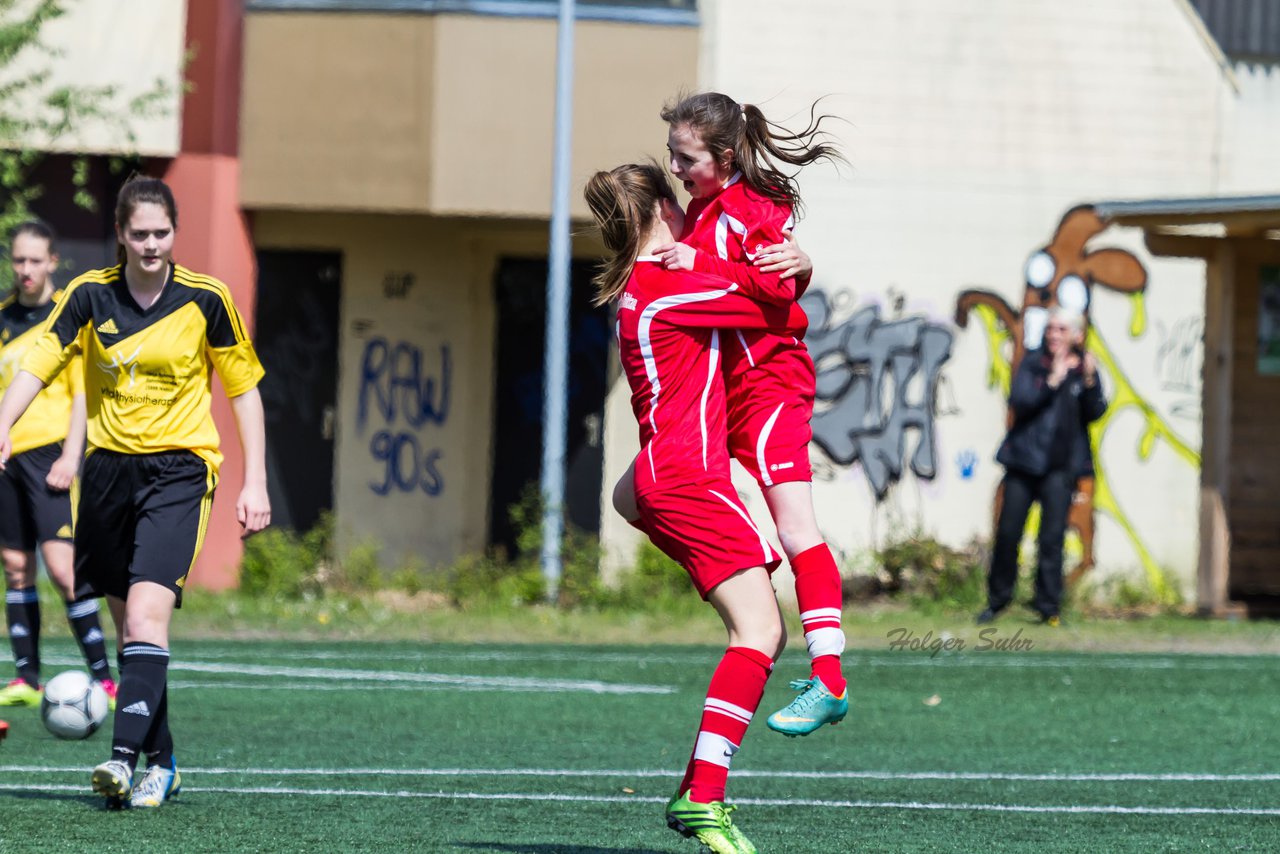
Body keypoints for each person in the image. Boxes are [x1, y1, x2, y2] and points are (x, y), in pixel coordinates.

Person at [0, 177, 271, 809]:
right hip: (106, 477)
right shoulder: (88, 296)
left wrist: (254, 479)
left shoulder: (207, 300)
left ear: (175, 232)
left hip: (178, 472)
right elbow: (39, 364)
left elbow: (244, 389)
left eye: (163, 232)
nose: (152, 244)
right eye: (140, 233)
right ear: (120, 235)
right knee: (134, 636)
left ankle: (121, 760)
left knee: (149, 618)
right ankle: (165, 762)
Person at [586, 162, 808, 854]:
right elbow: (784, 311)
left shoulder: (639, 284)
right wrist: (802, 264)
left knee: (757, 626)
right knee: (761, 632)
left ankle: (698, 791)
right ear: (658, 210)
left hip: (659, 478)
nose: (692, 205)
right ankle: (702, 798)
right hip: (687, 481)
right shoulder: (671, 280)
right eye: (678, 197)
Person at [658, 91, 848, 736]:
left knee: (797, 527)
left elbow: (778, 292)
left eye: (686, 158)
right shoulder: (707, 208)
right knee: (777, 525)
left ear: (725, 154)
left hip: (770, 383)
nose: (677, 169)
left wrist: (707, 263)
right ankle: (818, 668)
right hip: (738, 391)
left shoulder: (750, 209)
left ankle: (829, 678)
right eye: (673, 156)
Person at [0, 221, 116, 709]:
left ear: (52, 262)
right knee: (14, 564)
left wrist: (72, 453)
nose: (26, 270)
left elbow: (82, 392)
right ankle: (27, 677)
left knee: (64, 569)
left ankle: (105, 678)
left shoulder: (68, 313)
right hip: (8, 456)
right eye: (18, 260)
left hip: (52, 456)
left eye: (35, 260)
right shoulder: (2, 317)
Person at [977, 307, 1106, 627]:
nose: (1053, 335)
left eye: (1061, 329)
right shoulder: (1033, 364)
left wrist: (1089, 380)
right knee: (1008, 534)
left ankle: (1048, 606)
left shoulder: (1084, 369)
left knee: (1052, 539)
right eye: (1050, 329)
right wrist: (1052, 380)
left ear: (1076, 334)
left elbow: (1095, 412)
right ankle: (997, 600)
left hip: (1061, 469)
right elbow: (1020, 401)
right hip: (1024, 463)